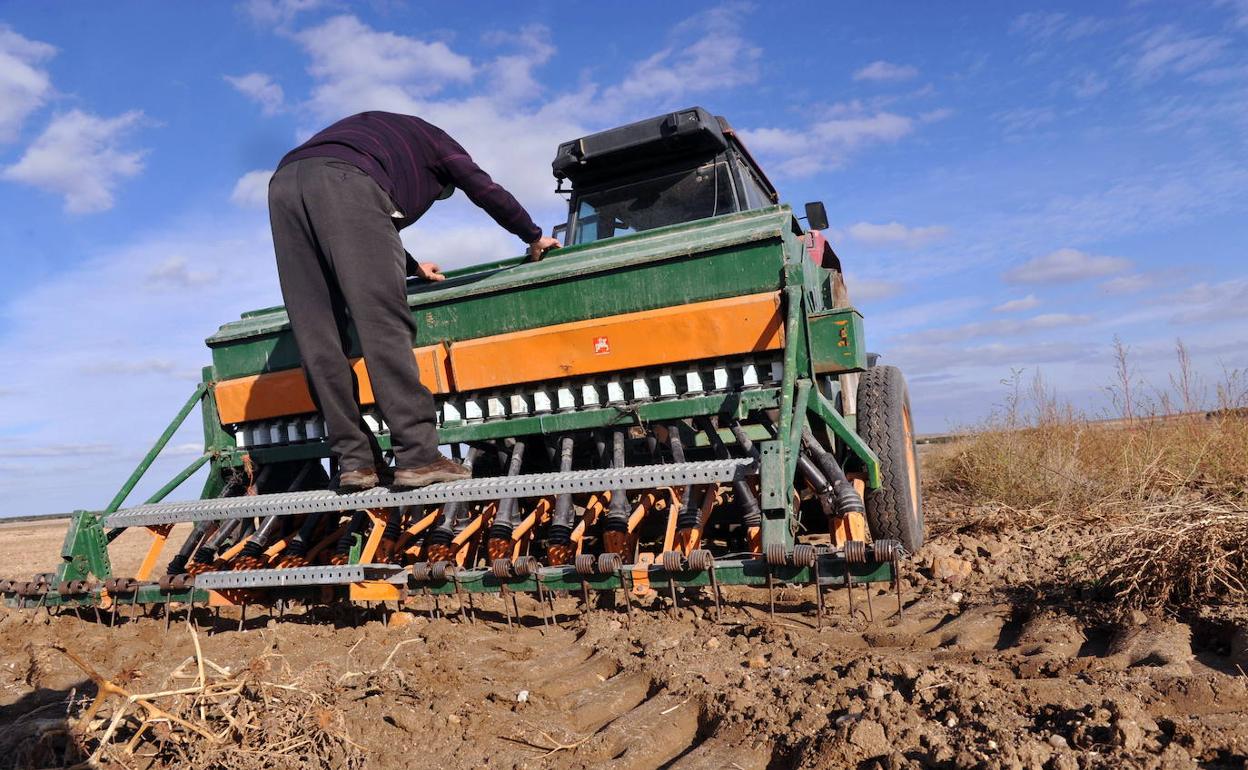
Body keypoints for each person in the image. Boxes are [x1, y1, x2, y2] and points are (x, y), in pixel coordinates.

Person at [268, 111, 560, 491]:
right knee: (382, 325)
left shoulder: (379, 137)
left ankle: (355, 462)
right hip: (345, 179)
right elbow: (483, 188)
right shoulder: (438, 141)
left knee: (317, 335)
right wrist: (532, 234)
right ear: (435, 181)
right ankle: (419, 456)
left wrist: (410, 265)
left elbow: (355, 229)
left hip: (284, 186)